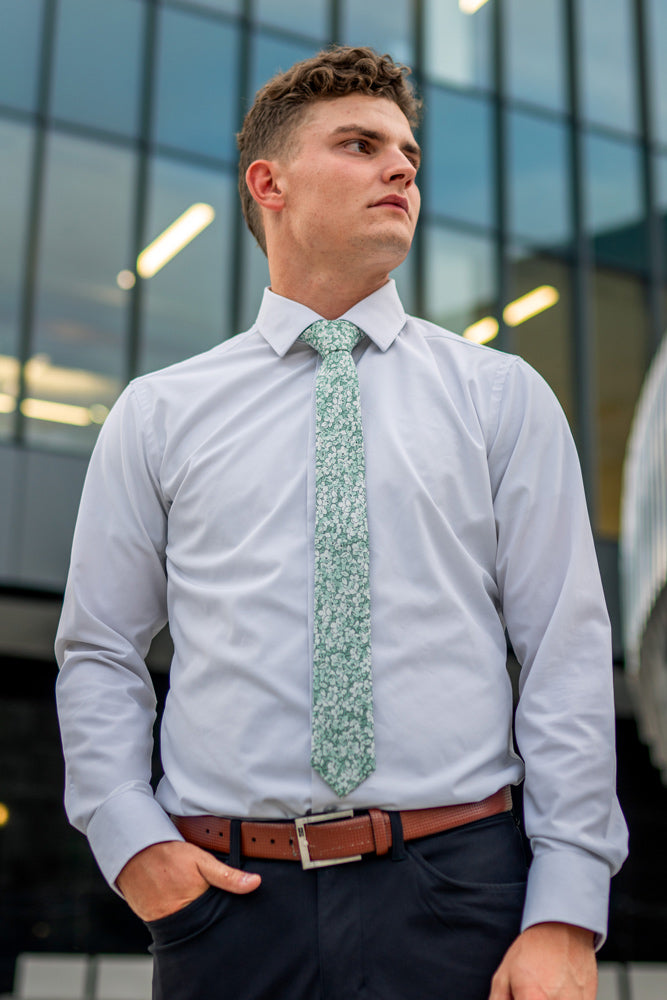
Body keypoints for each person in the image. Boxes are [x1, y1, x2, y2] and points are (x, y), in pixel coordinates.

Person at [55, 46, 628, 1000]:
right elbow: (100, 649)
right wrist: (132, 843)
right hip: (226, 908)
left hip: (460, 895)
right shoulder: (159, 413)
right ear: (268, 184)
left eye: (407, 153)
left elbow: (564, 654)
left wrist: (565, 912)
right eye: (360, 145)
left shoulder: (500, 397)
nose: (399, 168)